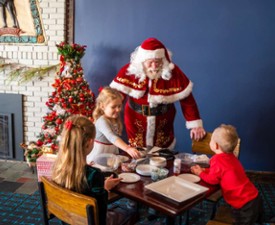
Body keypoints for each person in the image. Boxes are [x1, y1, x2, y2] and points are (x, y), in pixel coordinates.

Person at [110, 37, 205, 150]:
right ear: (142, 61)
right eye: (150, 63)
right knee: (137, 156)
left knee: (162, 158)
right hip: (135, 120)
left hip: (163, 122)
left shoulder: (172, 72)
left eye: (157, 62)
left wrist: (195, 125)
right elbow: (114, 97)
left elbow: (187, 100)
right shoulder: (130, 71)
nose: (154, 67)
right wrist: (106, 116)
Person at [51, 115, 135, 225]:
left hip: (67, 219)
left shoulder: (57, 167)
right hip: (90, 221)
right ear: (90, 142)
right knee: (130, 213)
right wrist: (104, 189)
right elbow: (100, 214)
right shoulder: (94, 174)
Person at [191, 124, 263, 225]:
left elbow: (213, 179)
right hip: (254, 197)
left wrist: (200, 173)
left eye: (211, 139)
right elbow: (221, 172)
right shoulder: (231, 157)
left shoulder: (217, 160)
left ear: (215, 145)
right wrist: (205, 170)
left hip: (243, 205)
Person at [86, 87, 141, 163]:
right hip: (100, 154)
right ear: (102, 106)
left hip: (110, 152)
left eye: (119, 106)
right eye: (113, 107)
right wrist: (127, 148)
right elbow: (111, 137)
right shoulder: (102, 121)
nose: (118, 109)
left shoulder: (114, 119)